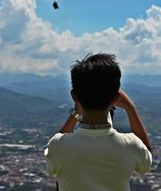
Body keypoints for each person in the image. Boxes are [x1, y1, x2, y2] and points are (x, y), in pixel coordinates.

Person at [44, 53, 152, 191]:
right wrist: (130, 108)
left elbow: (56, 148)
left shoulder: (59, 146)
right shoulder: (131, 145)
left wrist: (76, 113)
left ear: (74, 96)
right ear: (116, 98)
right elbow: (146, 160)